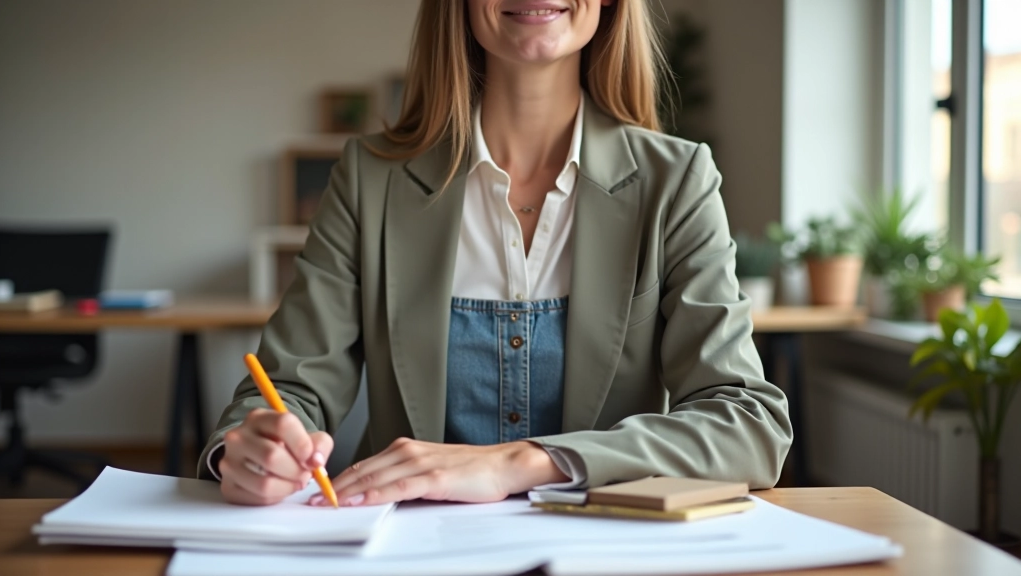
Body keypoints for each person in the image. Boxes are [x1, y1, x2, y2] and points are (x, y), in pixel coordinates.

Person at [199, 0, 793, 507]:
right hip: (405, 551)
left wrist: (523, 462)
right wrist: (252, 448)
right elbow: (287, 388)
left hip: (606, 553)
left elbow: (747, 424)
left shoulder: (678, 180)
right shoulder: (369, 179)